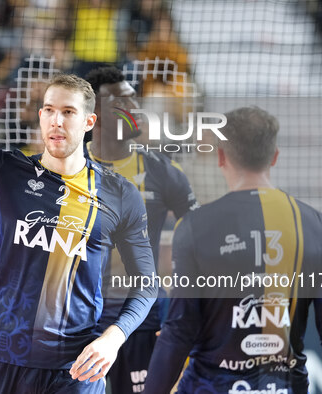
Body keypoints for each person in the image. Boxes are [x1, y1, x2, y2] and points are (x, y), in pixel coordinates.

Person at [0, 7, 157, 394]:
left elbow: (146, 282)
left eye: (68, 112)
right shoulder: (4, 171)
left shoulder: (119, 192)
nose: (56, 121)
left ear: (89, 123)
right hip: (5, 359)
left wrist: (114, 337)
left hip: (76, 367)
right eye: (49, 111)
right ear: (40, 117)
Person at [144, 107, 322, 393]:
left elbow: (179, 331)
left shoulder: (195, 226)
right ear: (275, 156)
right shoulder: (318, 227)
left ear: (220, 156)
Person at [84, 66, 198, 394]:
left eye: (134, 100)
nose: (135, 109)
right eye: (123, 103)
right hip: (77, 321)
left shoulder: (163, 172)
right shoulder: (66, 168)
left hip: (141, 319)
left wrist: (184, 314)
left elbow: (202, 246)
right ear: (96, 116)